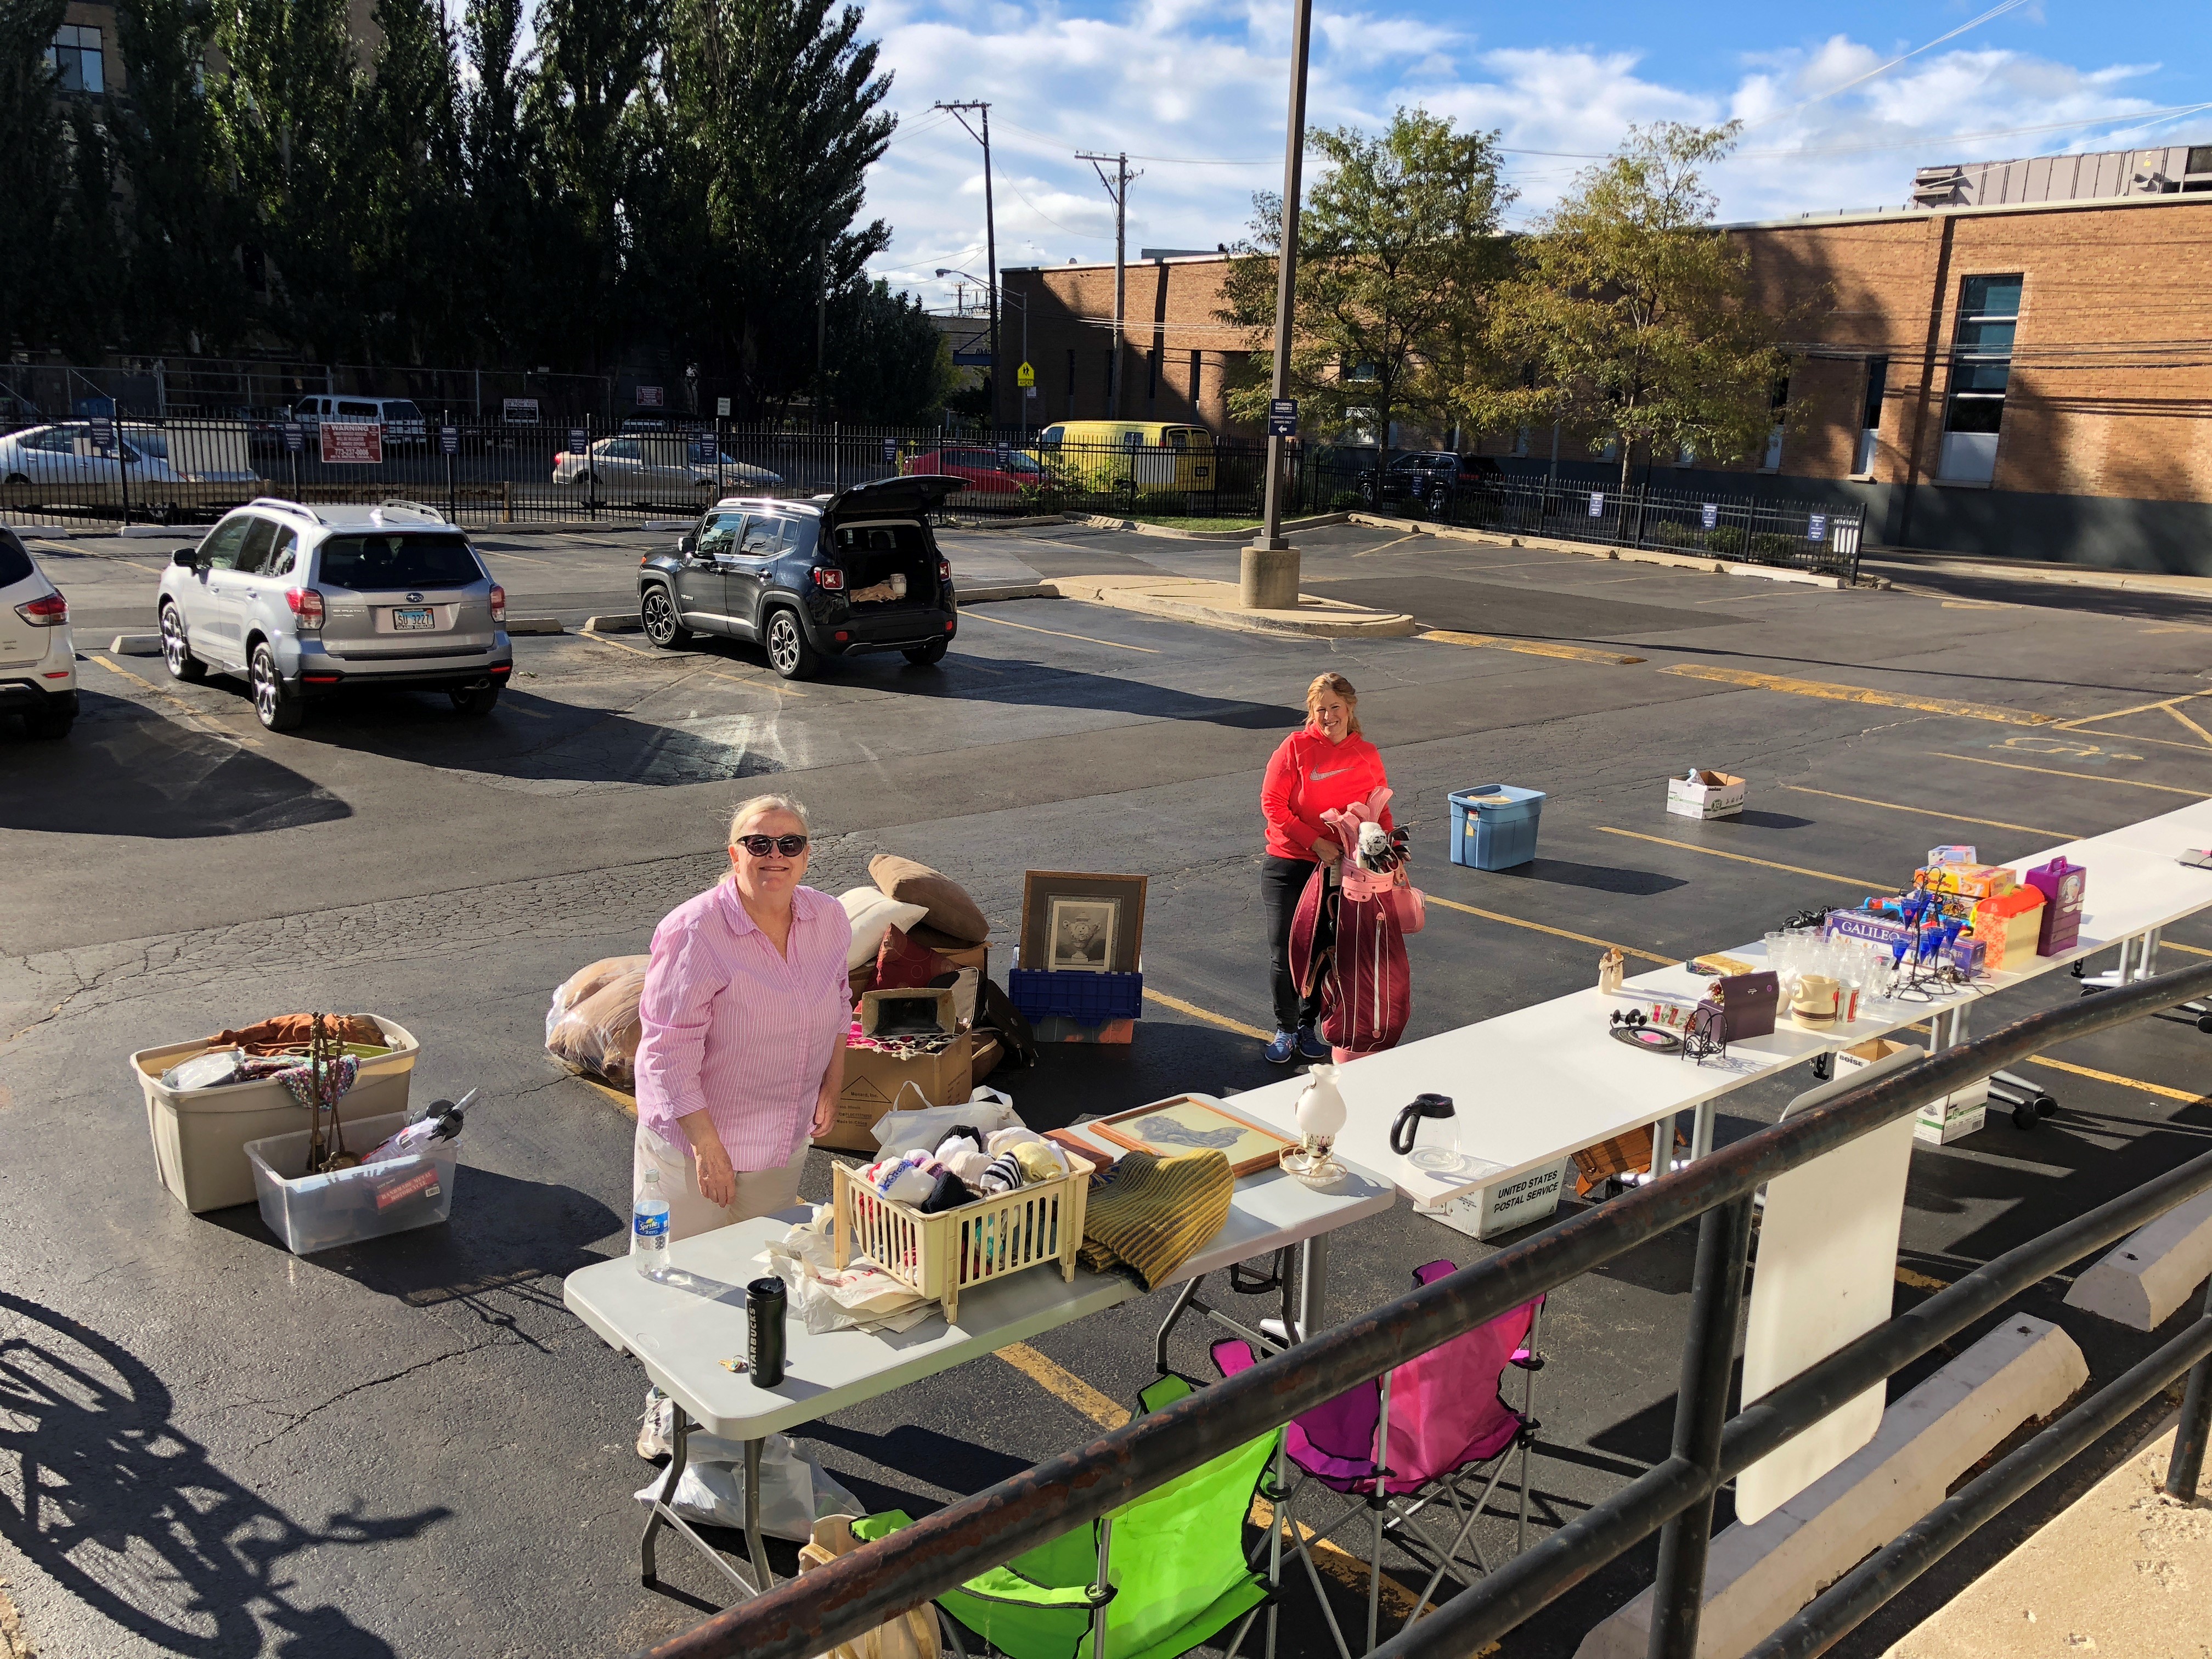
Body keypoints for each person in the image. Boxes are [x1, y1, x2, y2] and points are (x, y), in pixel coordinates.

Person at [633, 793, 851, 1242]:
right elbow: (667, 1050)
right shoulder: (694, 931)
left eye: (790, 844)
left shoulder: (828, 918)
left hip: (780, 1139)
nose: (776, 855)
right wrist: (706, 1146)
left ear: (807, 857)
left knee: (763, 1261)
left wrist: (832, 1085)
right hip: (694, 1147)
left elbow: (840, 1004)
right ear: (735, 855)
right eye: (759, 844)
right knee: (684, 1275)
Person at [1259, 673, 1393, 1064]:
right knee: (1286, 949)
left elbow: (1380, 810)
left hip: (1339, 870)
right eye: (1321, 709)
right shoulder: (1295, 747)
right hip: (1289, 863)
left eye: (1336, 707)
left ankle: (1306, 1025)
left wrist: (1393, 857)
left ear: (1350, 708)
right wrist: (1314, 842)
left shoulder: (1366, 753)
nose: (1328, 716)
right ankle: (1284, 1028)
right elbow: (1273, 805)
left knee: (1321, 950)